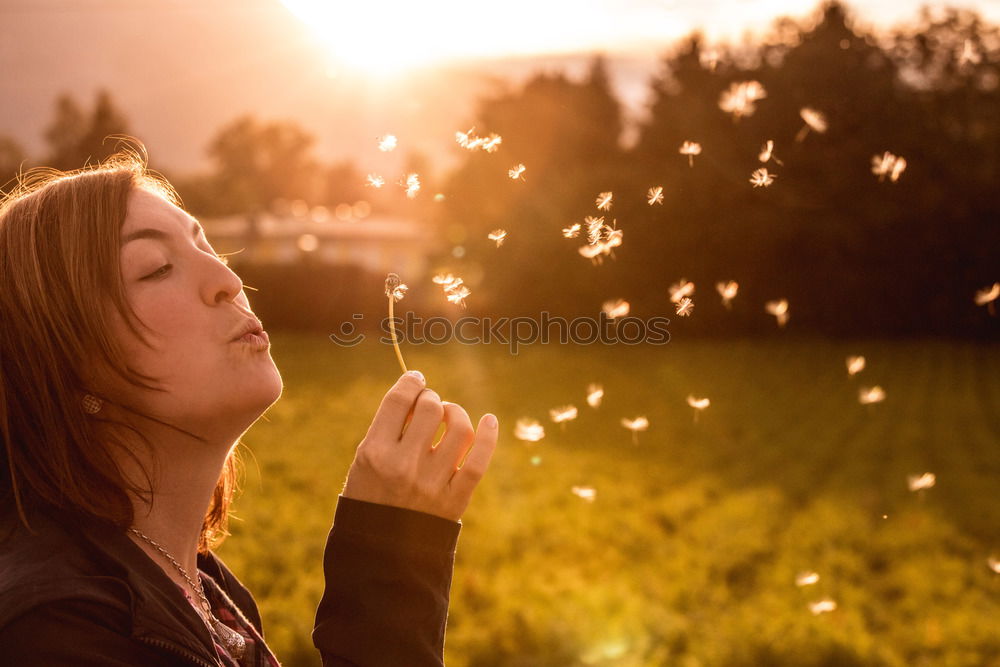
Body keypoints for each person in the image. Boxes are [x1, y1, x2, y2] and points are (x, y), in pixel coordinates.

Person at [0, 148, 498, 666]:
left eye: (207, 246)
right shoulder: (53, 630)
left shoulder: (202, 588)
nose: (230, 281)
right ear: (62, 360)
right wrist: (389, 560)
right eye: (157, 268)